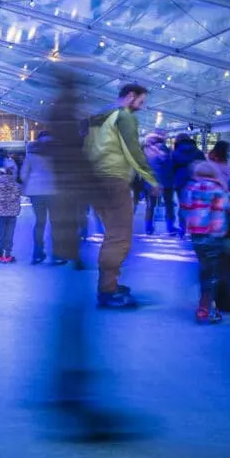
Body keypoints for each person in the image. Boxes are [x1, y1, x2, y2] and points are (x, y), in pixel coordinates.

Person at [84, 84, 158, 308]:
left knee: (112, 235)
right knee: (119, 236)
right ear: (130, 96)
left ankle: (108, 283)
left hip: (96, 181)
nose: (141, 107)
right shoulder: (124, 117)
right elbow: (133, 150)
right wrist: (151, 179)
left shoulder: (99, 119)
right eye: (141, 102)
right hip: (114, 180)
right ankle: (108, 290)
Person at [181, 161, 230, 325]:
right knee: (213, 273)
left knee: (205, 267)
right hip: (215, 235)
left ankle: (205, 306)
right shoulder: (219, 189)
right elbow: (228, 208)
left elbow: (184, 209)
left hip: (197, 235)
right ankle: (208, 308)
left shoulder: (190, 188)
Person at [21, 130, 64, 265]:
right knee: (56, 223)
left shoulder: (31, 154)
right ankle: (57, 254)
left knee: (40, 223)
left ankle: (37, 253)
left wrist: (28, 185)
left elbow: (23, 174)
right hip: (53, 191)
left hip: (35, 192)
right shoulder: (56, 153)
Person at [171, 133, 206, 236]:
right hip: (196, 181)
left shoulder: (175, 152)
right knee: (196, 205)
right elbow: (204, 166)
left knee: (182, 205)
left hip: (180, 181)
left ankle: (182, 228)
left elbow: (171, 168)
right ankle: (196, 228)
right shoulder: (198, 152)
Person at [142, 132, 176, 235]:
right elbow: (171, 165)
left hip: (151, 182)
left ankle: (148, 227)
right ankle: (170, 227)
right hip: (167, 182)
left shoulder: (146, 152)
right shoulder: (166, 150)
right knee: (169, 205)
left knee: (150, 205)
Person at [0, 163, 22, 263]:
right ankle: (7, 254)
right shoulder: (16, 185)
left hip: (1, 213)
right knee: (10, 233)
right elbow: (19, 195)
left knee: (1, 233)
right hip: (13, 213)